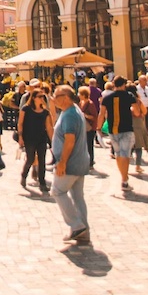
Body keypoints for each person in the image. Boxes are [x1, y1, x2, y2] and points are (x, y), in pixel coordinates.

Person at [50, 85, 91, 244]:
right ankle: (83, 230)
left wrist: (62, 162)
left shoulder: (69, 115)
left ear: (66, 97)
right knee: (77, 196)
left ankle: (76, 226)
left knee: (57, 191)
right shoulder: (73, 111)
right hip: (80, 160)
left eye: (57, 95)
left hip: (71, 163)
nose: (54, 98)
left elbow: (69, 140)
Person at [97, 76, 136, 192]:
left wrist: (98, 128)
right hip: (127, 128)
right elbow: (137, 110)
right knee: (126, 154)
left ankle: (124, 178)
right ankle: (124, 179)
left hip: (113, 128)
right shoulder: (129, 96)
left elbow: (101, 113)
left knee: (119, 154)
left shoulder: (107, 98)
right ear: (124, 84)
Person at [18, 88, 53, 193]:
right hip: (29, 138)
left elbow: (49, 127)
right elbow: (20, 123)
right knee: (30, 159)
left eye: (43, 96)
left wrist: (53, 141)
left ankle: (42, 183)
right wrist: (20, 137)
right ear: (33, 98)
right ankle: (24, 175)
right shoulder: (26, 109)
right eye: (39, 96)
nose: (42, 98)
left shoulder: (45, 112)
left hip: (42, 138)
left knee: (42, 160)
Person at [127, 84, 147, 174]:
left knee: (128, 146)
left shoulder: (123, 100)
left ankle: (125, 166)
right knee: (138, 146)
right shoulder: (137, 100)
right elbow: (144, 111)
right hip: (137, 124)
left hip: (126, 123)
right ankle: (138, 166)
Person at [77, 86, 98, 169]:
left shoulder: (90, 104)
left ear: (83, 94)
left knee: (89, 145)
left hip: (90, 128)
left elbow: (94, 116)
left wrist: (85, 115)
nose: (78, 95)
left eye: (79, 93)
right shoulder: (81, 103)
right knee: (83, 145)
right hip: (83, 127)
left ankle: (90, 162)